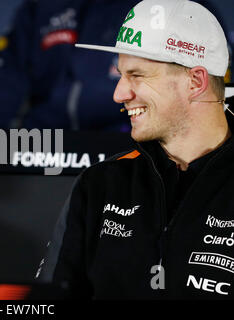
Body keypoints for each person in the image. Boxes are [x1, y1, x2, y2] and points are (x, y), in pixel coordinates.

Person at [36, 0, 234, 299]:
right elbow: (45, 302)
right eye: (120, 75)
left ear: (196, 81)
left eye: (137, 75)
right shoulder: (99, 185)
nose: (119, 94)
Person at [0, 0, 230, 131]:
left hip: (140, 154)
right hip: (47, 153)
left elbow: (217, 100)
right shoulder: (41, 7)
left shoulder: (182, 8)